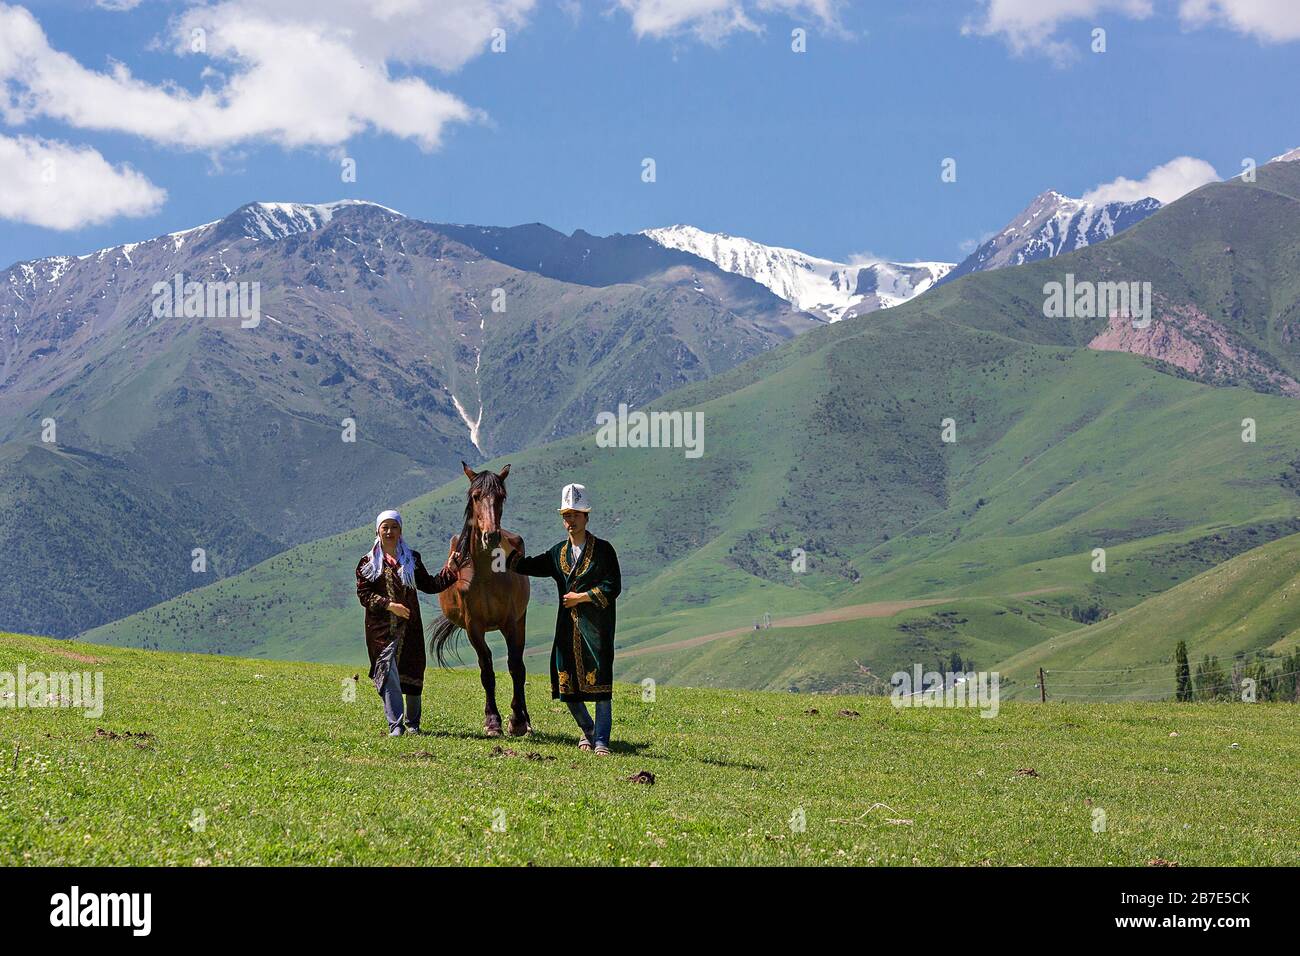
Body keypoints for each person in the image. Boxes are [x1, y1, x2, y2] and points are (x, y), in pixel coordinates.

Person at [503, 483, 621, 755]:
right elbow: (528, 565)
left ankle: (602, 740)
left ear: (586, 517)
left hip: (597, 629)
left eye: (575, 515)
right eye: (566, 516)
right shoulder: (558, 553)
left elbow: (613, 586)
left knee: (600, 686)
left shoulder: (604, 551)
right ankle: (588, 730)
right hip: (567, 629)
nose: (570, 521)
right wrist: (504, 547)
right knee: (566, 684)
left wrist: (581, 598)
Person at [355, 510, 460, 736]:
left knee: (413, 673)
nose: (389, 532)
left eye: (394, 527)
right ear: (377, 531)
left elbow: (431, 585)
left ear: (400, 531)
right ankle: (396, 725)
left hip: (410, 628)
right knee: (388, 673)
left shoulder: (411, 559)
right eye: (385, 527)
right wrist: (389, 605)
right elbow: (364, 594)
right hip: (380, 631)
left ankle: (413, 723)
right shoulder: (367, 563)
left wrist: (450, 571)